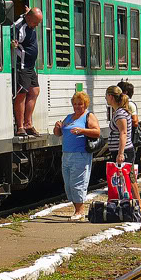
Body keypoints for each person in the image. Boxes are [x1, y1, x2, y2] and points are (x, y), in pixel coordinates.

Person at [53, 91, 102, 221]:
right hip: (67, 154)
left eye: (80, 104)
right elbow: (58, 134)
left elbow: (97, 132)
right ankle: (77, 209)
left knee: (78, 183)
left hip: (80, 154)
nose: (77, 106)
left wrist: (82, 131)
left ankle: (79, 211)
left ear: (85, 104)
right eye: (75, 104)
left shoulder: (88, 116)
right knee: (68, 184)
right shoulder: (69, 117)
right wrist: (57, 127)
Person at [105, 85, 141, 210]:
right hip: (123, 150)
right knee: (127, 179)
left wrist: (120, 153)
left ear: (110, 97)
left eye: (106, 96)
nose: (105, 98)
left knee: (130, 178)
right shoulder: (120, 112)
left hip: (124, 151)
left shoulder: (120, 114)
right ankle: (132, 205)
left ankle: (139, 206)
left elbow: (123, 133)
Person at [12, 6, 44, 136]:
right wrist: (12, 45)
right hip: (22, 66)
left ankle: (28, 123)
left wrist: (27, 12)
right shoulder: (18, 27)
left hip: (30, 66)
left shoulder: (29, 22)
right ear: (29, 18)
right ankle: (20, 126)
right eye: (35, 22)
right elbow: (11, 39)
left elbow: (28, 15)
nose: (36, 26)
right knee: (22, 93)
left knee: (35, 91)